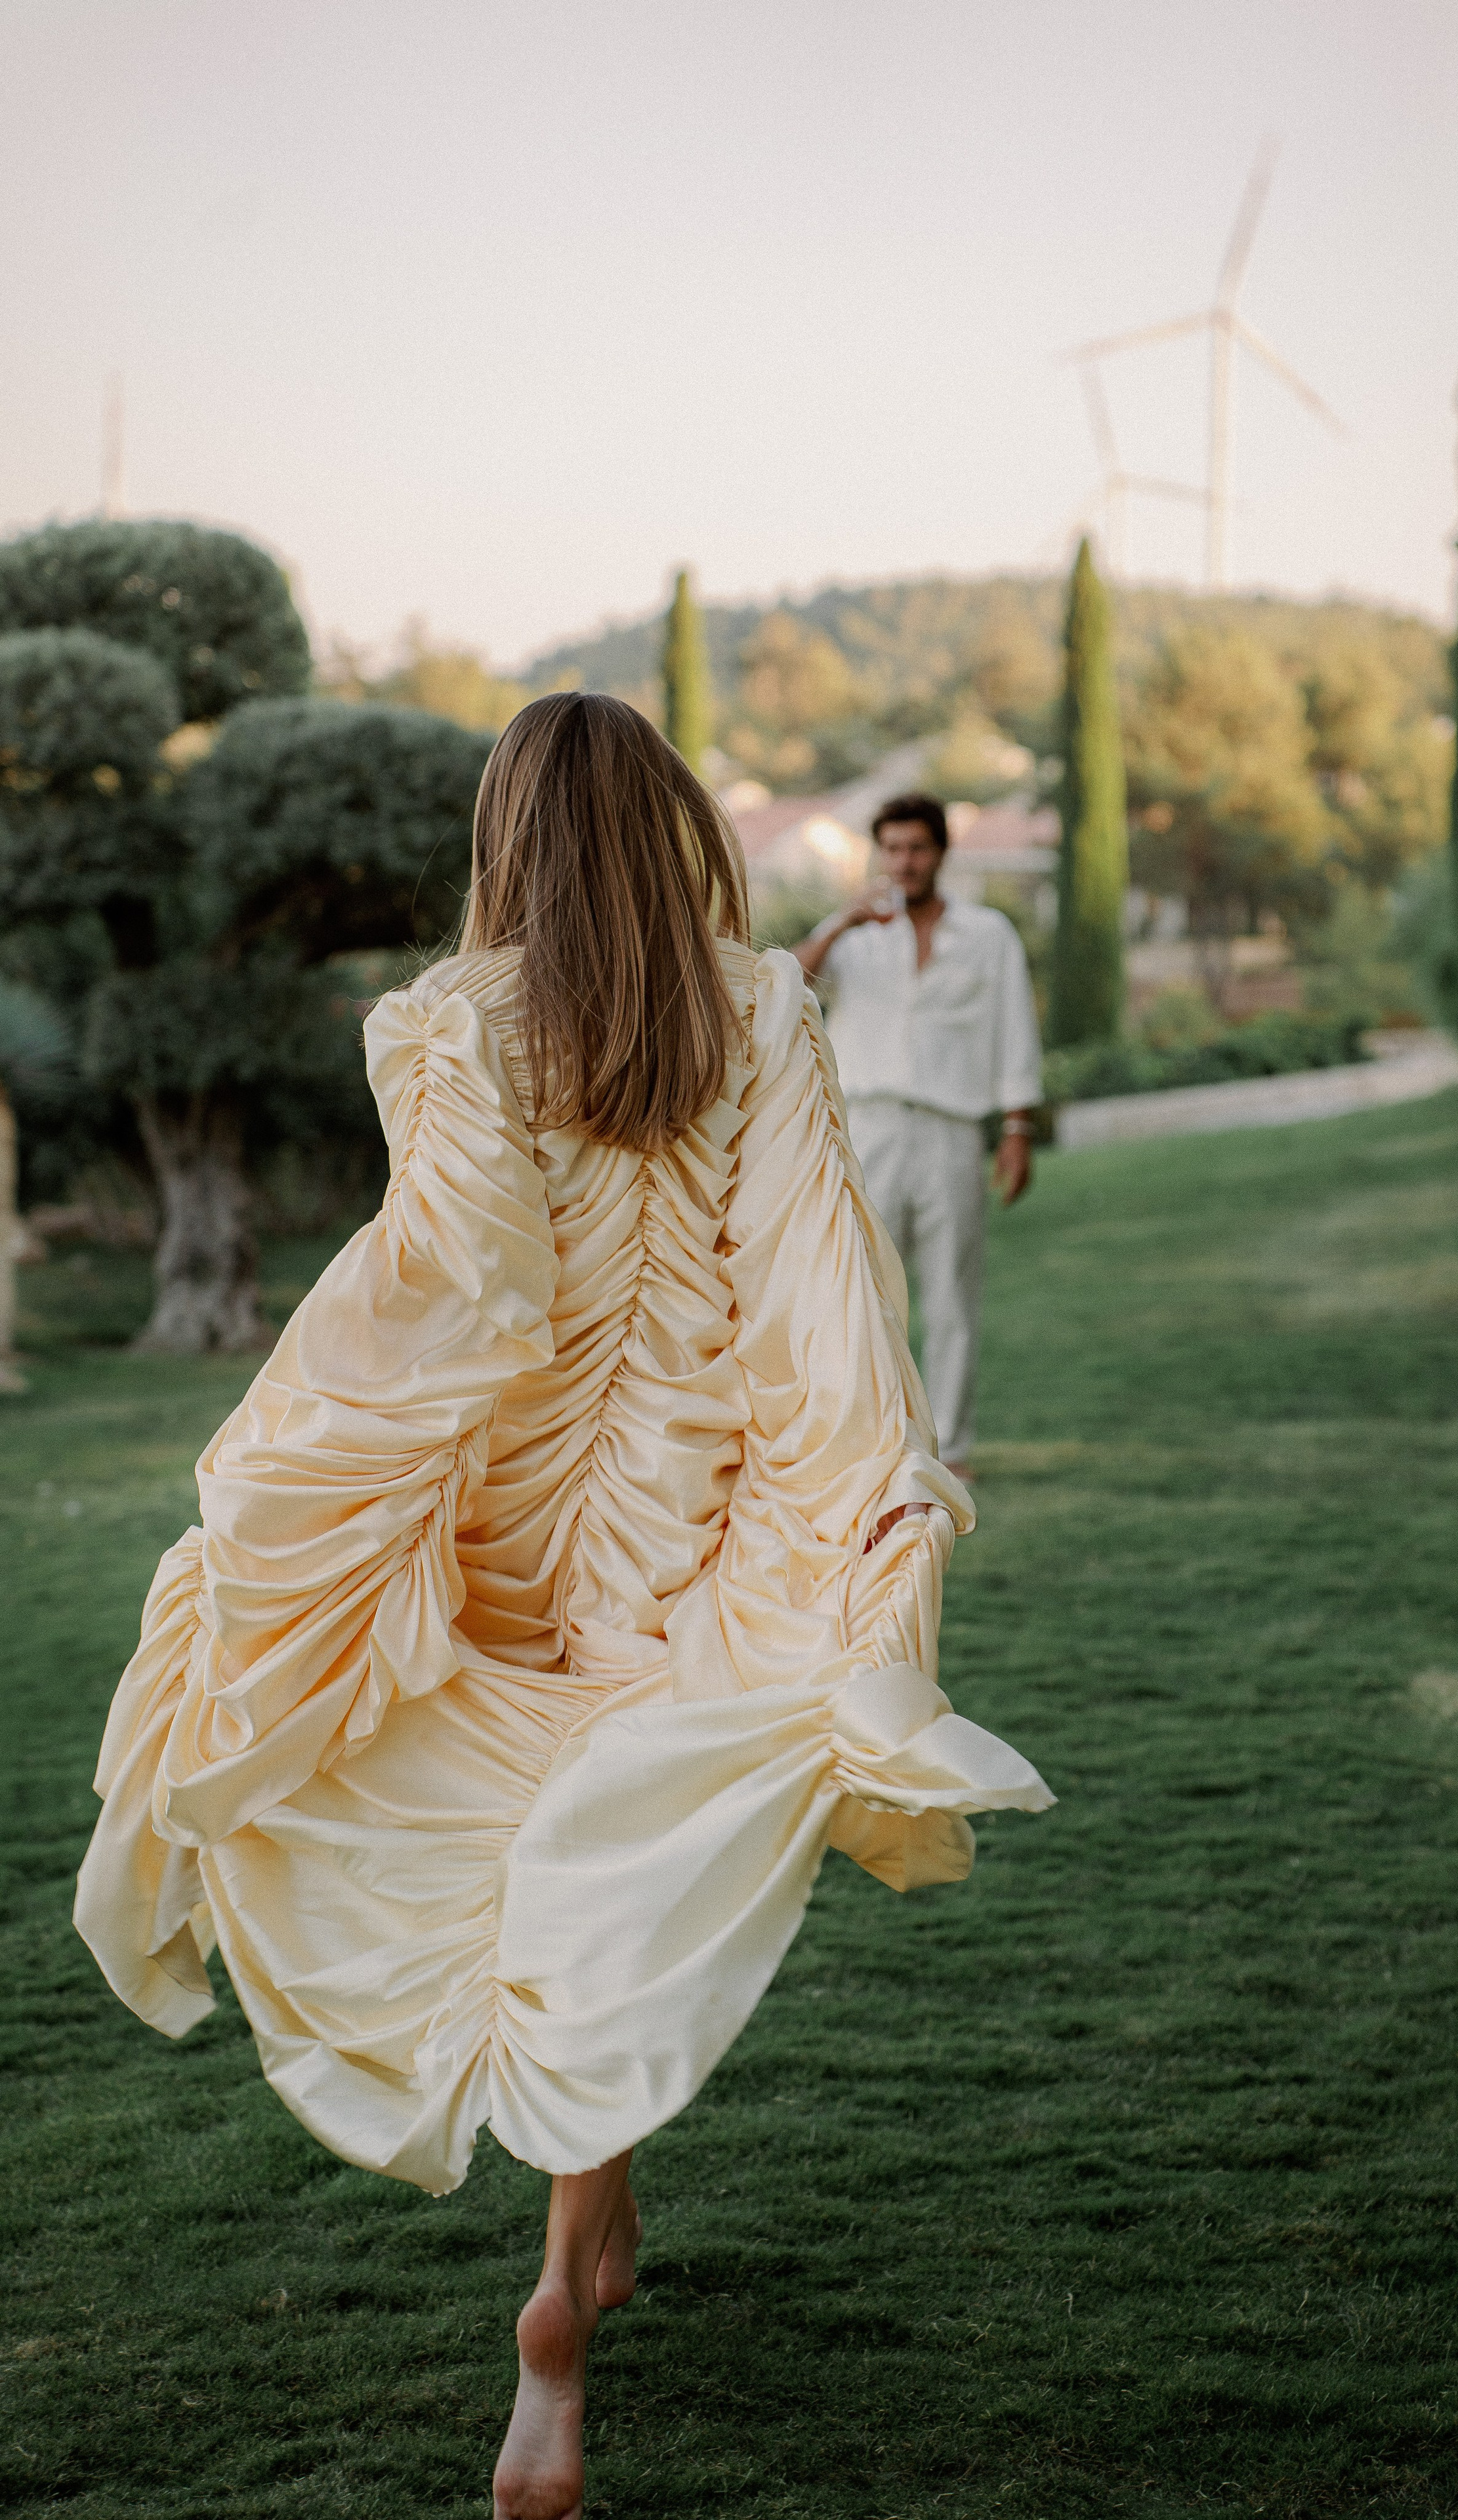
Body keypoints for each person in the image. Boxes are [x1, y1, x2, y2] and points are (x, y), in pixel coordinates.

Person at [73, 696, 1051, 2520]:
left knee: (538, 1855)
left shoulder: (448, 1020)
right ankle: (558, 2319)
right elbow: (814, 1284)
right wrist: (874, 1484)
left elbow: (447, 1285)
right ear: (670, 820)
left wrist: (302, 1469)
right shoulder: (758, 1005)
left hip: (505, 1528)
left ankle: (570, 2285)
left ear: (506, 834)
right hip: (707, 1525)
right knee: (635, 1861)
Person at [796, 793, 1042, 1478]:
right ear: (880, 853)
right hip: (867, 1128)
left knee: (950, 1293)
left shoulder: (988, 935)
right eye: (893, 849)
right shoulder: (857, 931)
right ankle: (871, 1444)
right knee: (862, 1292)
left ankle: (951, 1450)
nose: (904, 863)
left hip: (952, 1129)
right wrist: (844, 919)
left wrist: (1016, 1129)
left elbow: (1014, 1029)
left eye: (917, 849)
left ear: (941, 853)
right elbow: (787, 984)